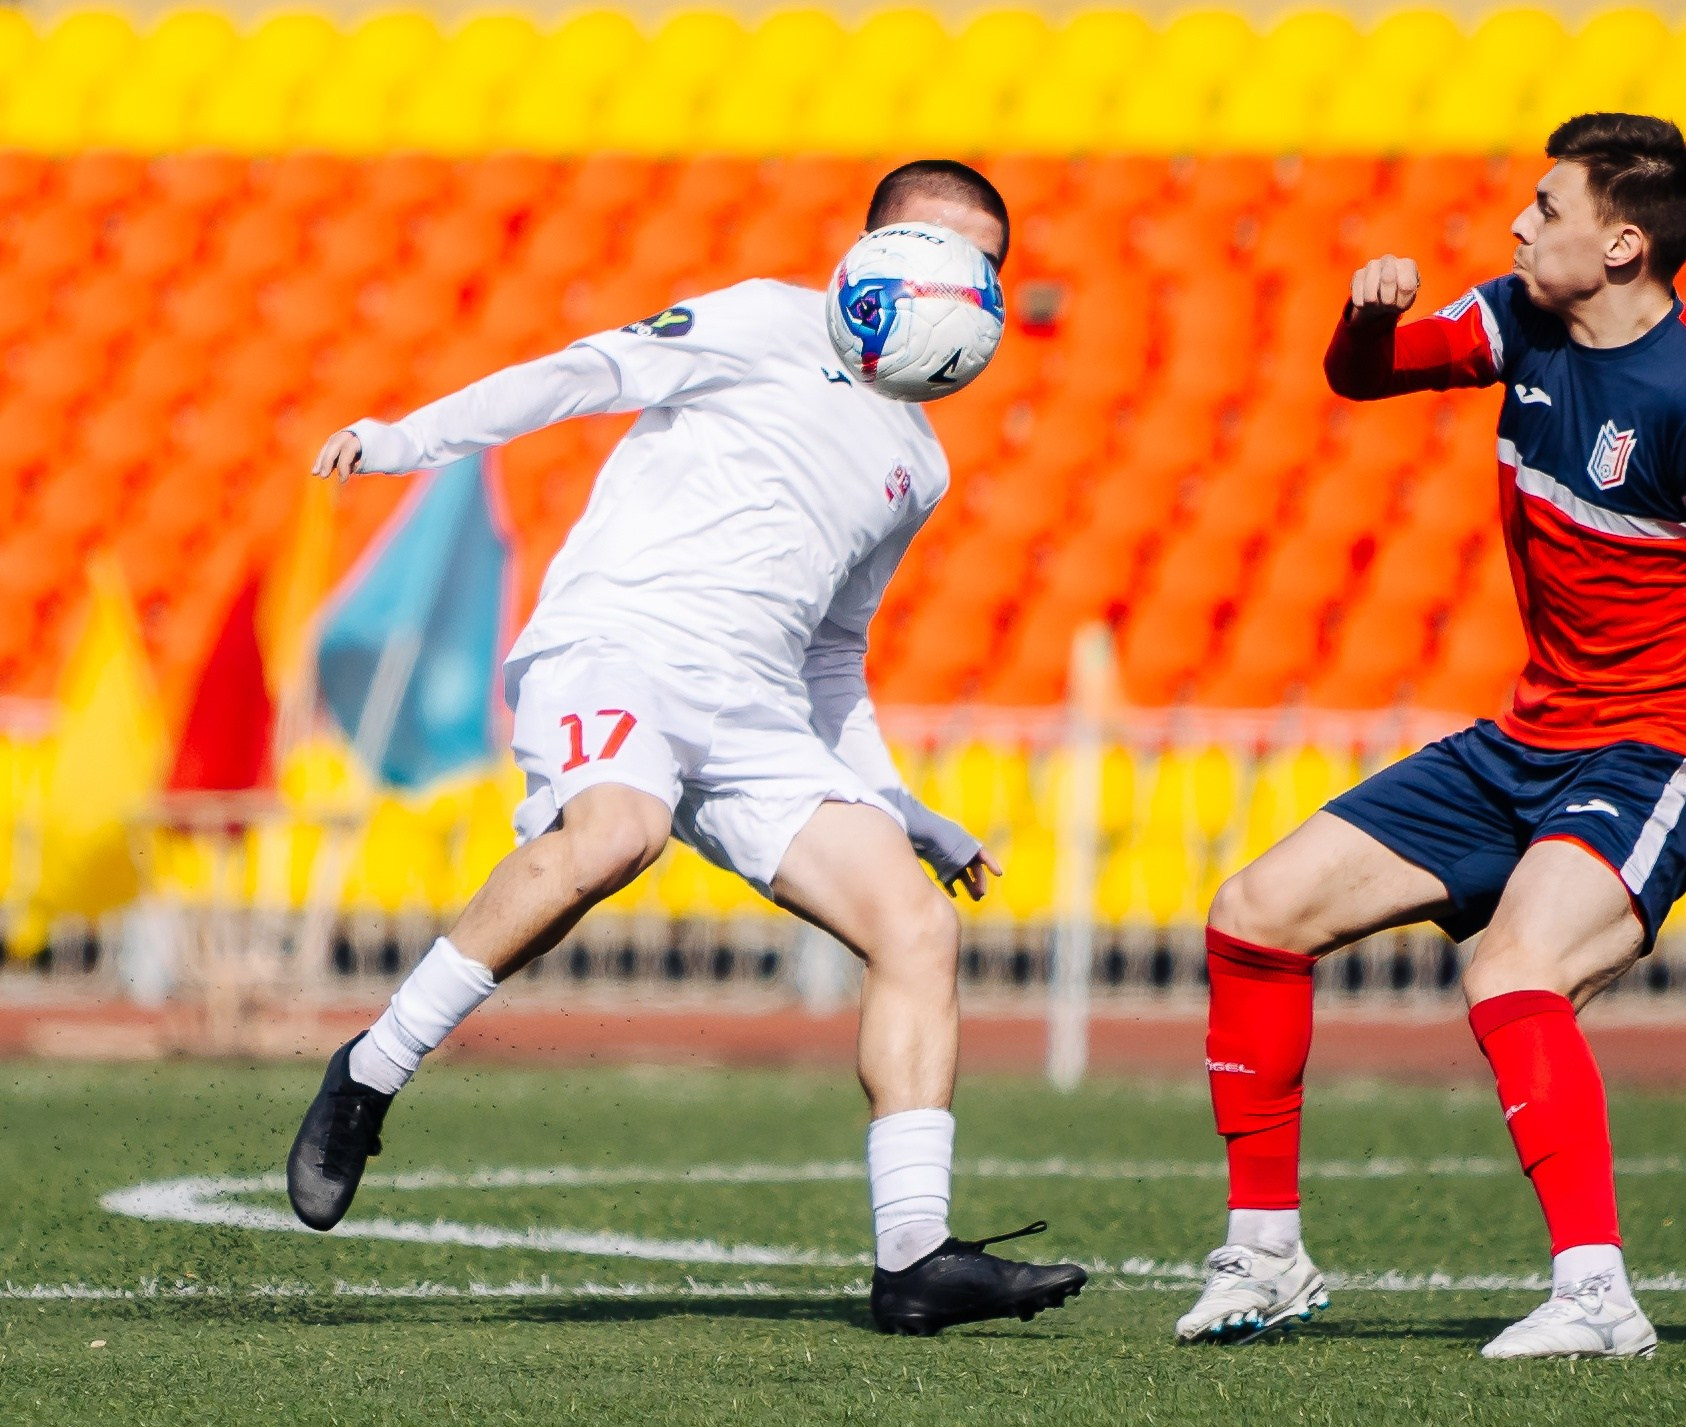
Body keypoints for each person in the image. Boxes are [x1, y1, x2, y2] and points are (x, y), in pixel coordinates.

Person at [285, 159, 1087, 1338]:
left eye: (982, 267)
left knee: (918, 926)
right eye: (937, 247)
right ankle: (370, 1069)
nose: (953, 280)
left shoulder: (920, 464)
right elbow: (584, 373)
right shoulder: (761, 318)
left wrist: (906, 810)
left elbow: (833, 658)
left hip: (757, 714)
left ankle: (913, 1255)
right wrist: (409, 437)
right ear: (873, 247)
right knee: (619, 831)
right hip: (618, 647)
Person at [1173, 114, 1686, 1357]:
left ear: (1621, 245)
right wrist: (1365, 316)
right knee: (1254, 912)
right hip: (1524, 737)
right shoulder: (1518, 316)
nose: (1517, 224)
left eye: (1545, 208)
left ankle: (1595, 1294)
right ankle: (1264, 1256)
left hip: (1651, 749)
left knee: (1512, 973)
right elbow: (1360, 377)